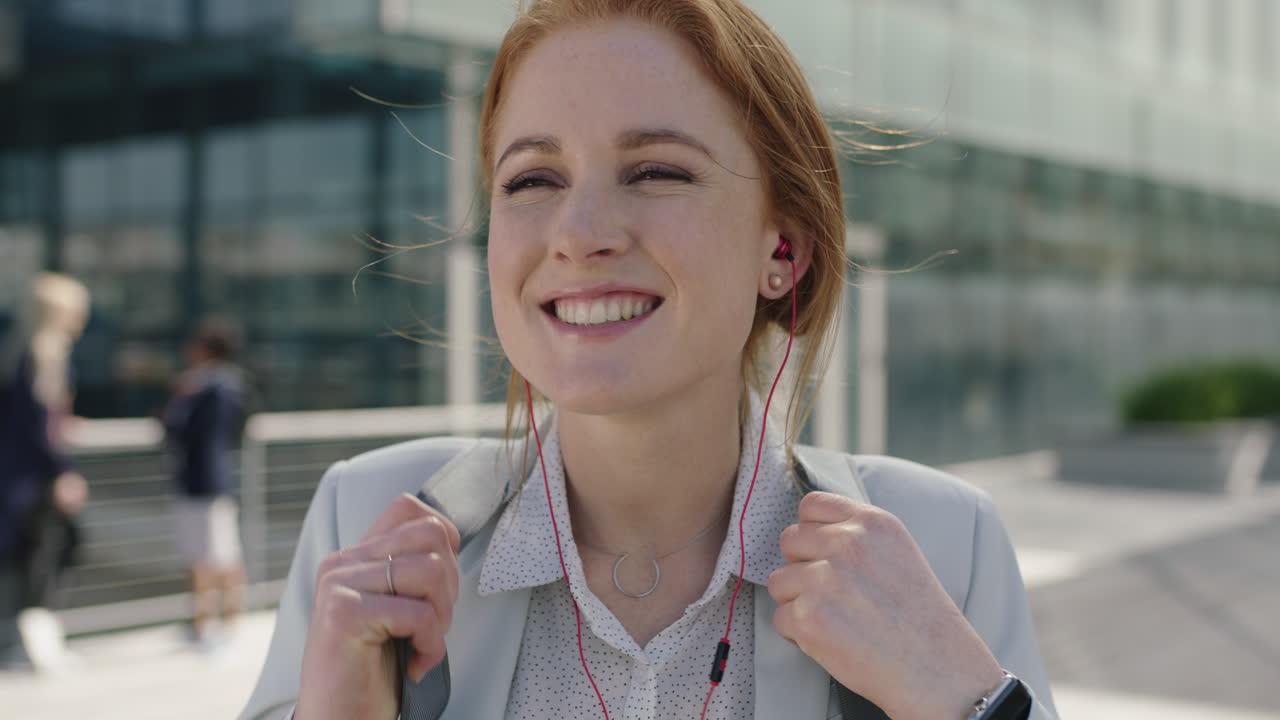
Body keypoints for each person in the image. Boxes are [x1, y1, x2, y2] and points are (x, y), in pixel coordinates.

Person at [242, 1, 1058, 718]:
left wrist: (968, 705)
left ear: (783, 249)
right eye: (532, 180)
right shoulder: (363, 530)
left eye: (657, 171)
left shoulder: (946, 550)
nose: (578, 233)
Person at [0, 272, 91, 672]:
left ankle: (26, 642)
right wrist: (62, 472)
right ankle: (33, 646)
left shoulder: (19, 351)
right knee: (43, 556)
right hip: (31, 480)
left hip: (17, 477)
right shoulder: (44, 354)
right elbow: (39, 425)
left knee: (28, 558)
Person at [162, 316, 247, 648]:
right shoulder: (219, 385)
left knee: (214, 554)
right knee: (208, 552)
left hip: (207, 481)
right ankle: (210, 622)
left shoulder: (214, 388)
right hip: (203, 480)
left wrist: (180, 400)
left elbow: (187, 431)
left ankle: (218, 622)